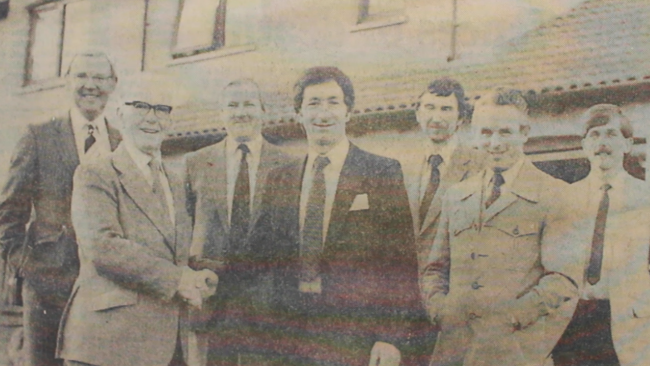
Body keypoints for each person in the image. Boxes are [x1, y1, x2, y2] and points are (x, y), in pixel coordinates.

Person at [257, 66, 422, 366]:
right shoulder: (279, 179)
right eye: (313, 103)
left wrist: (390, 337)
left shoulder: (381, 171)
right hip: (289, 341)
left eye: (334, 102)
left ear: (348, 112)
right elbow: (262, 261)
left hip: (355, 338)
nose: (324, 113)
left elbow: (401, 262)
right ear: (299, 114)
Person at [56, 74, 218, 366]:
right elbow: (102, 246)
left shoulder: (176, 179)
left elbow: (174, 253)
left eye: (161, 109)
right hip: (109, 345)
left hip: (168, 343)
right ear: (119, 113)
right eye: (141, 106)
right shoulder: (95, 173)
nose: (152, 118)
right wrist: (178, 279)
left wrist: (198, 277)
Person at [421, 89, 579, 366]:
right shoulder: (456, 195)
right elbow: (434, 269)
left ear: (525, 132)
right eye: (485, 133)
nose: (494, 143)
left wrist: (511, 319)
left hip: (513, 351)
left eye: (505, 132)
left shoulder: (555, 195)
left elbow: (562, 281)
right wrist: (441, 310)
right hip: (453, 351)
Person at [0, 51, 122, 366]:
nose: (90, 85)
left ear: (113, 84)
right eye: (81, 76)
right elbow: (9, 214)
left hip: (108, 290)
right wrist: (30, 270)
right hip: (48, 291)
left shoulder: (122, 143)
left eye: (99, 78)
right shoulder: (39, 136)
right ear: (68, 82)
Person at [186, 79, 294, 365]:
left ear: (263, 110)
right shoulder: (195, 163)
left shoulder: (289, 165)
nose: (241, 112)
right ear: (221, 112)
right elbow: (182, 229)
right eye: (232, 105)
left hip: (267, 308)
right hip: (211, 302)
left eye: (249, 104)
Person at [550, 104, 650, 366]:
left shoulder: (649, 197)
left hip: (627, 321)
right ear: (584, 145)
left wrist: (646, 303)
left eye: (611, 134)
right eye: (595, 135)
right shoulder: (564, 198)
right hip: (574, 320)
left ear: (628, 144)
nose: (602, 143)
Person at [402, 77, 483, 266]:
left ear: (460, 118)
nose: (436, 118)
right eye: (430, 108)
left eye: (446, 109)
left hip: (454, 279)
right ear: (417, 114)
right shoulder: (402, 167)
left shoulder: (480, 166)